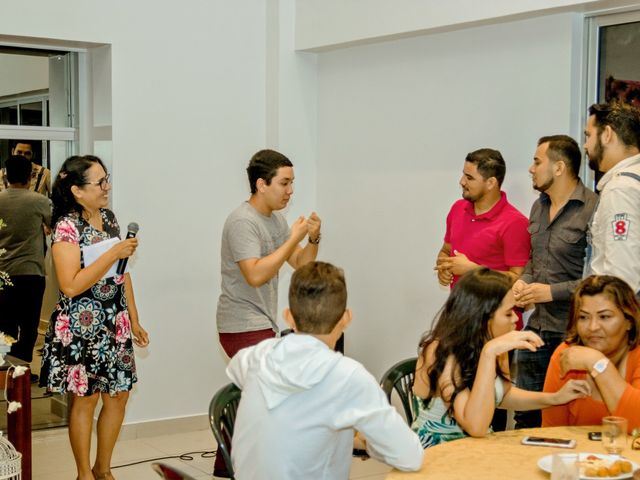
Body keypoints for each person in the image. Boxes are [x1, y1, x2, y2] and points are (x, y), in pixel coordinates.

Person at [227, 261, 423, 479]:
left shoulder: (257, 356)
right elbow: (410, 457)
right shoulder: (347, 376)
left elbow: (237, 372)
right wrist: (370, 445)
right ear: (346, 318)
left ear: (288, 316)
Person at [39, 155, 149, 480]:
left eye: (107, 179)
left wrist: (135, 318)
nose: (107, 187)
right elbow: (71, 285)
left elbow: (122, 275)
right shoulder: (66, 228)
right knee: (85, 400)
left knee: (118, 395)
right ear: (76, 190)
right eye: (99, 182)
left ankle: (104, 468)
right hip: (80, 327)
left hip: (114, 323)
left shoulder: (110, 220)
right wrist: (113, 253)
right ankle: (84, 474)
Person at [411, 268, 589, 448]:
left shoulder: (494, 344)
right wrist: (489, 353)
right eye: (508, 312)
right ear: (483, 317)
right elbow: (476, 426)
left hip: (476, 448)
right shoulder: (439, 351)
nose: (515, 319)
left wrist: (555, 398)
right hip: (437, 451)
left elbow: (502, 396)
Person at [512, 135, 598, 428]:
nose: (530, 168)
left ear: (559, 167)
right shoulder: (539, 205)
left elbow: (600, 280)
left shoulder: (594, 208)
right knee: (525, 415)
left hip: (573, 333)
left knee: (568, 418)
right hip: (536, 330)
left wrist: (551, 292)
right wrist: (522, 282)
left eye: (537, 161)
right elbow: (534, 260)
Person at [216, 149, 321, 358]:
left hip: (263, 323)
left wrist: (313, 238)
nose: (290, 190)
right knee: (271, 386)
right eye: (284, 183)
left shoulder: (276, 220)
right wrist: (293, 238)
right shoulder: (243, 221)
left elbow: (302, 263)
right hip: (241, 325)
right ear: (261, 185)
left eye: (292, 183)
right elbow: (254, 275)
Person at [542, 275, 640, 432]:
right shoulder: (567, 355)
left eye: (604, 317)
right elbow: (552, 433)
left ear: (629, 320)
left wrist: (596, 362)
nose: (593, 327)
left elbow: (637, 424)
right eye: (583, 317)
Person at [435, 148, 530, 288]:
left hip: (496, 309)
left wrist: (474, 271)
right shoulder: (457, 208)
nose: (462, 182)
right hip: (458, 306)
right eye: (463, 175)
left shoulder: (515, 223)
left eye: (470, 178)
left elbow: (518, 280)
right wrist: (443, 267)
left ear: (491, 183)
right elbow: (446, 250)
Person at [0, 155, 51, 370]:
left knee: (5, 321)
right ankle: (21, 367)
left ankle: (6, 367)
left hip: (3, 271)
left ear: (6, 175)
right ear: (30, 176)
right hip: (31, 272)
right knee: (30, 323)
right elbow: (54, 225)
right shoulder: (40, 202)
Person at [583, 102, 640, 294]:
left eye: (588, 135)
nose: (585, 145)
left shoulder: (621, 189)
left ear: (607, 134)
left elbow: (622, 277)